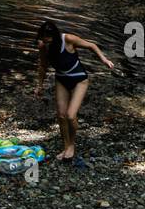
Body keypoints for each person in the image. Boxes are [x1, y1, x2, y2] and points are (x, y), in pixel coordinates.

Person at [34, 19, 115, 163]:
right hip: (61, 79)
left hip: (79, 80)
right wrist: (39, 86)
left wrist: (104, 60)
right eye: (43, 39)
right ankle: (67, 147)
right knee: (61, 115)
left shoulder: (68, 39)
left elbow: (92, 45)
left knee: (71, 116)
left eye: (47, 39)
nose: (45, 43)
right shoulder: (43, 46)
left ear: (54, 36)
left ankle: (72, 144)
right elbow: (43, 66)